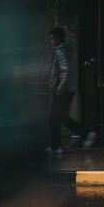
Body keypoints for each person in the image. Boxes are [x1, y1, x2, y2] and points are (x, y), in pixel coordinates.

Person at [46, 25, 81, 155]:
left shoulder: (60, 51)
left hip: (61, 89)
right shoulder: (68, 49)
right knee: (60, 117)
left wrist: (59, 89)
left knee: (53, 117)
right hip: (67, 88)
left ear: (57, 38)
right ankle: (56, 145)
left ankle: (55, 146)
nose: (50, 41)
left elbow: (65, 72)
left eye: (51, 38)